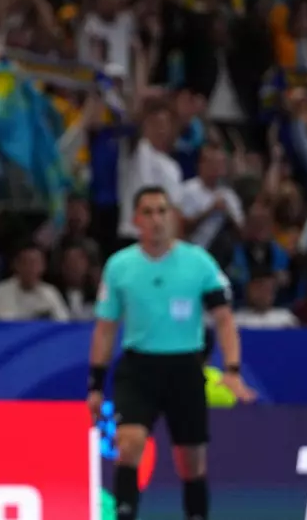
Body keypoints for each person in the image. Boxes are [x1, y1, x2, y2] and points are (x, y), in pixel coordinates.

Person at [87, 186, 257, 520]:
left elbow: (224, 319)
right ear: (136, 220)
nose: (156, 220)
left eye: (162, 211)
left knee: (191, 461)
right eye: (148, 212)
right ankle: (124, 514)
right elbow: (105, 329)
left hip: (185, 369)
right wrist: (95, 385)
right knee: (129, 442)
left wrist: (232, 369)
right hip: (139, 368)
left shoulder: (199, 263)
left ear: (173, 217)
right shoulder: (120, 267)